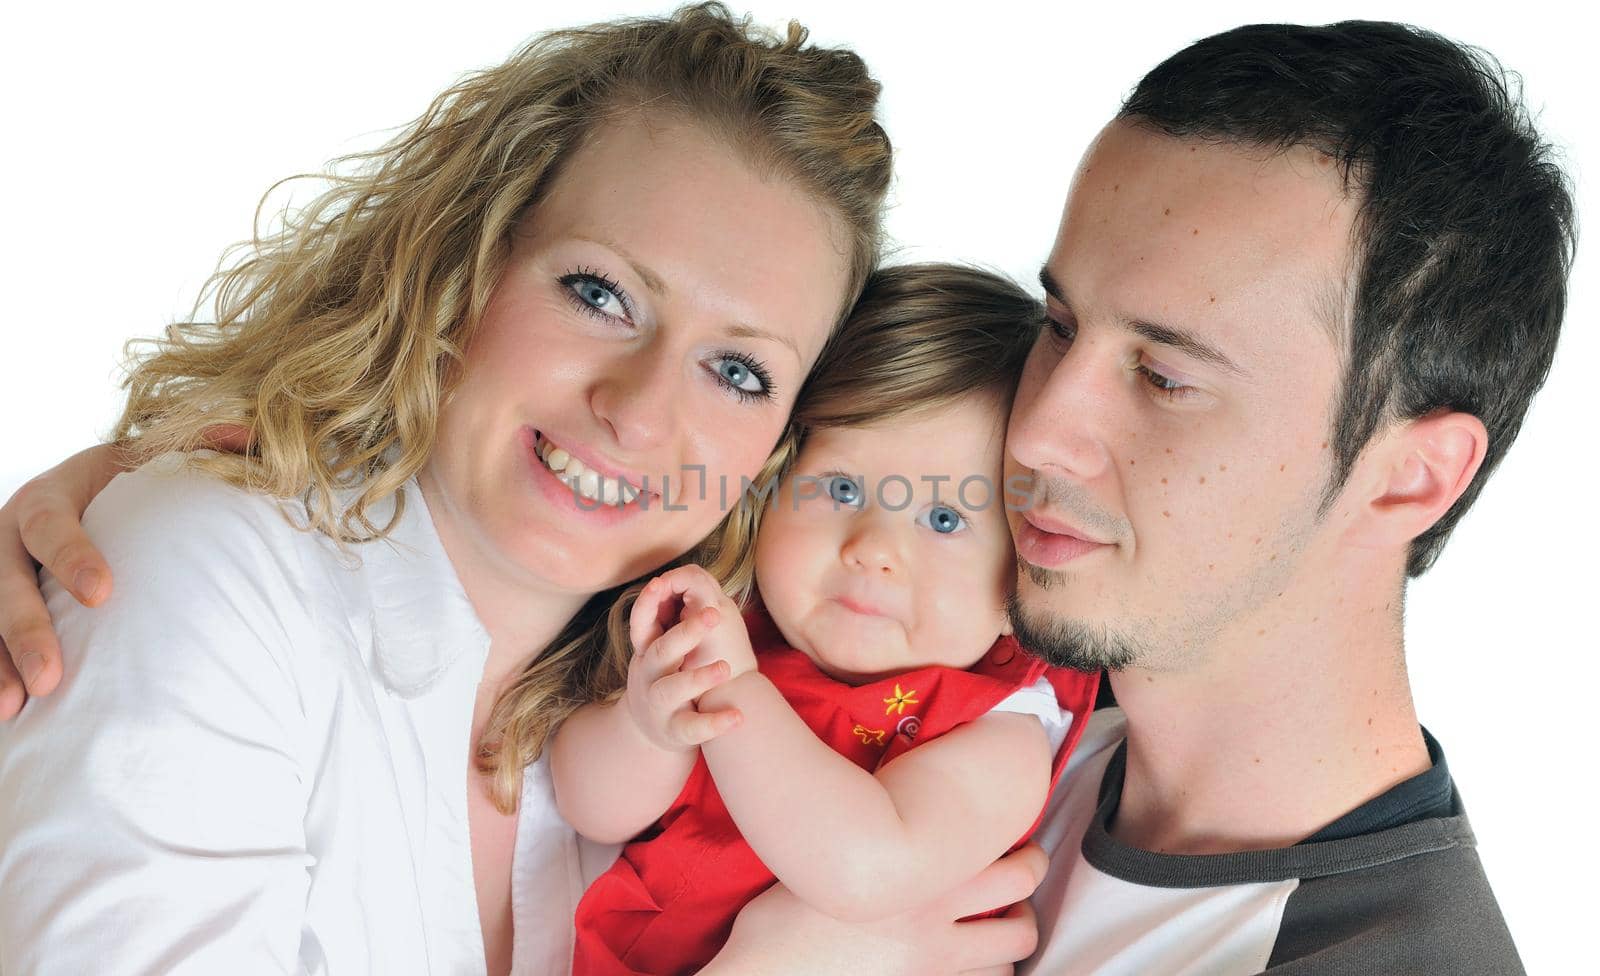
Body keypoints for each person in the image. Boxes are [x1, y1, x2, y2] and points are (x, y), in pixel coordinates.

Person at [0, 15, 1574, 976]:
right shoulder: (998, 697)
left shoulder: (1366, 961)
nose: (1042, 430)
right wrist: (182, 494)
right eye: (1059, 326)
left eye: (1165, 374)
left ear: (1416, 471)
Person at [0, 4, 962, 973]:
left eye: (739, 372)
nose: (638, 413)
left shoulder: (707, 725)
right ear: (463, 260)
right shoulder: (209, 572)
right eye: (599, 293)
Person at [553, 265, 1098, 975]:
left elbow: (863, 871)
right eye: (841, 487)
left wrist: (736, 694)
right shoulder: (734, 626)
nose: (872, 550)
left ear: (1020, 582)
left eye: (944, 518)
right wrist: (644, 729)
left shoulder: (1002, 730)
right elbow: (589, 809)